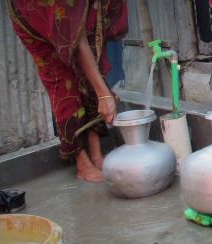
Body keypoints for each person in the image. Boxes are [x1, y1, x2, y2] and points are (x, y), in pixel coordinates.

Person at [8, 0, 127, 183]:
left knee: (94, 66)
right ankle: (82, 162)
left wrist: (101, 90)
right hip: (37, 19)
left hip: (79, 15)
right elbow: (76, 42)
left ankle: (96, 154)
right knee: (63, 83)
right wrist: (103, 94)